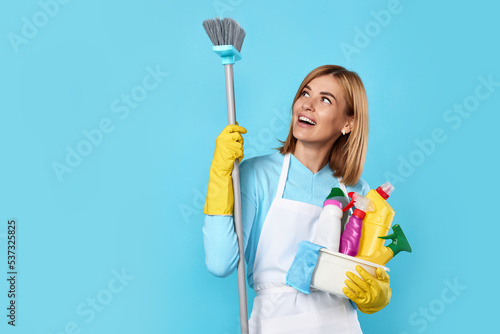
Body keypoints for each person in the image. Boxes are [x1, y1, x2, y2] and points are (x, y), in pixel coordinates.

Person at [203, 65, 391, 333]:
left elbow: (361, 271)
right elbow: (220, 263)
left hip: (339, 322)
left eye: (325, 99)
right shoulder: (257, 175)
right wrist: (220, 179)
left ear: (347, 123)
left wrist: (376, 292)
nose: (307, 105)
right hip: (277, 322)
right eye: (305, 93)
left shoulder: (357, 191)